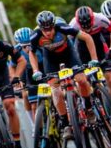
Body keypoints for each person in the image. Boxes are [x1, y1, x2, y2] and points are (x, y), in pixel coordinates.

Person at [29, 10, 99, 140]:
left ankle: (89, 109)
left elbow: (87, 37)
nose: (48, 32)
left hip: (69, 55)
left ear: (54, 25)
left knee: (82, 80)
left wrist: (93, 58)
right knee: (55, 90)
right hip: (50, 60)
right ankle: (66, 123)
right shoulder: (35, 36)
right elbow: (31, 53)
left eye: (50, 28)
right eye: (45, 30)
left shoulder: (62, 28)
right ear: (40, 28)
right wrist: (35, 70)